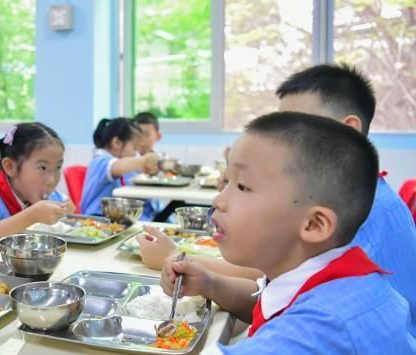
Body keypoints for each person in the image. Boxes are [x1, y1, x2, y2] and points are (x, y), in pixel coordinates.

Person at [161, 112, 416, 355]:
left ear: (313, 225)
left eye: (242, 187)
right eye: (226, 181)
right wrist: (212, 284)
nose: (219, 199)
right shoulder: (338, 277)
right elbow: (271, 304)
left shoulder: (332, 321)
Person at [139, 64, 416, 319]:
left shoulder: (362, 212)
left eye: (297, 125)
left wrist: (177, 257)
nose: (281, 136)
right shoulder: (359, 195)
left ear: (348, 131)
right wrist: (209, 282)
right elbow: (274, 291)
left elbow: (269, 277)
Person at [0, 122, 75, 253]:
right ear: (10, 167)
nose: (52, 180)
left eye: (58, 167)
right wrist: (32, 215)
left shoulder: (48, 195)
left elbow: (68, 208)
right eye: (42, 168)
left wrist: (67, 209)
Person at [79, 117, 159, 219]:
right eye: (134, 148)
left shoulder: (121, 161)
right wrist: (145, 159)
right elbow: (118, 167)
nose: (135, 153)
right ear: (116, 143)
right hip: (97, 219)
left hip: (116, 218)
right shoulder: (101, 161)